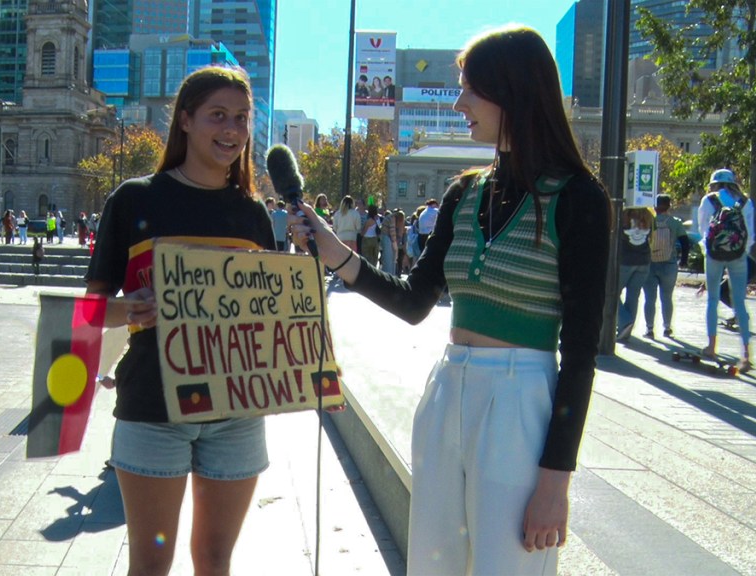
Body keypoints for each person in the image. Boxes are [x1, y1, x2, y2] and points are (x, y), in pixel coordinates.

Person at [288, 25, 610, 575]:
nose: (460, 103)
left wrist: (556, 481)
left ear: (513, 92)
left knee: (508, 568)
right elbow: (415, 301)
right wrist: (334, 251)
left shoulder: (578, 198)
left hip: (521, 401)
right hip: (447, 388)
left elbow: (581, 353)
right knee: (430, 566)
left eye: (471, 90)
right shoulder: (466, 193)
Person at [84, 65, 275, 576]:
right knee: (150, 564)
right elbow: (89, 311)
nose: (232, 129)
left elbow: (267, 314)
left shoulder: (253, 214)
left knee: (215, 561)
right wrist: (131, 307)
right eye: (218, 115)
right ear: (185, 120)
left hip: (236, 411)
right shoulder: (134, 199)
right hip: (153, 406)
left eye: (242, 117)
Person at [697, 168, 755, 372]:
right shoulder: (746, 202)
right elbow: (750, 234)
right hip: (738, 255)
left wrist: (709, 251)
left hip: (713, 256)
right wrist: (740, 251)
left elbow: (703, 230)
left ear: (713, 183)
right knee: (739, 302)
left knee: (713, 299)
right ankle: (746, 354)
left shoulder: (708, 201)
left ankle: (711, 346)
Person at [642, 194, 690, 339]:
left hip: (650, 264)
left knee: (649, 299)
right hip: (669, 263)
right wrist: (683, 260)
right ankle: (667, 328)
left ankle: (649, 329)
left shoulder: (649, 221)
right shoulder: (675, 222)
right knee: (667, 297)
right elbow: (685, 242)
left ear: (655, 206)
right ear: (669, 206)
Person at [616, 206, 653, 341]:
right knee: (633, 296)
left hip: (625, 261)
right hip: (644, 261)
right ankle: (626, 330)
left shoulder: (623, 216)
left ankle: (625, 322)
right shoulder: (649, 217)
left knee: (612, 294)